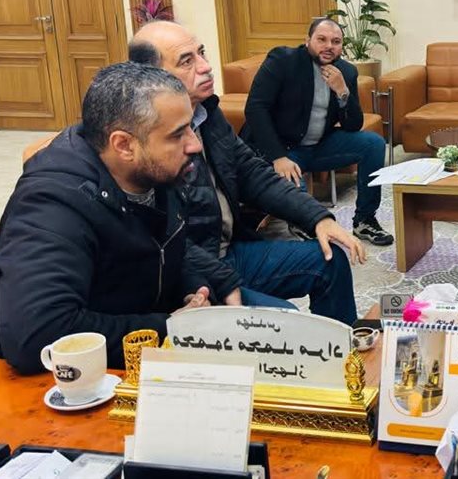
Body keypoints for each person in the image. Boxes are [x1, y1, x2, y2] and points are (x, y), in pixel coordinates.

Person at [0, 63, 214, 373]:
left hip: (118, 361)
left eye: (189, 127)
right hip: (9, 380)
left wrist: (192, 290)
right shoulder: (51, 204)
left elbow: (160, 248)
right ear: (123, 145)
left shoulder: (154, 170)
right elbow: (37, 335)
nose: (194, 144)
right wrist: (170, 328)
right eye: (177, 134)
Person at [129, 21, 363, 325]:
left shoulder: (208, 114)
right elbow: (158, 243)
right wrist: (219, 279)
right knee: (285, 322)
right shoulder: (141, 141)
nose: (206, 67)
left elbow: (253, 174)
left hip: (229, 252)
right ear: (151, 76)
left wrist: (318, 217)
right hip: (190, 275)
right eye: (187, 61)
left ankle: (345, 351)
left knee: (330, 260)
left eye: (202, 53)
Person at [241, 18, 393, 246]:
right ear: (307, 40)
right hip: (283, 149)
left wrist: (342, 91)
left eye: (336, 41)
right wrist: (277, 157)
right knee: (303, 211)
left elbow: (353, 125)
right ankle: (305, 224)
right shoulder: (283, 60)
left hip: (319, 146)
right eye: (321, 39)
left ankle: (365, 220)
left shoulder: (346, 72)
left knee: (373, 144)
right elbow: (255, 108)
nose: (328, 46)